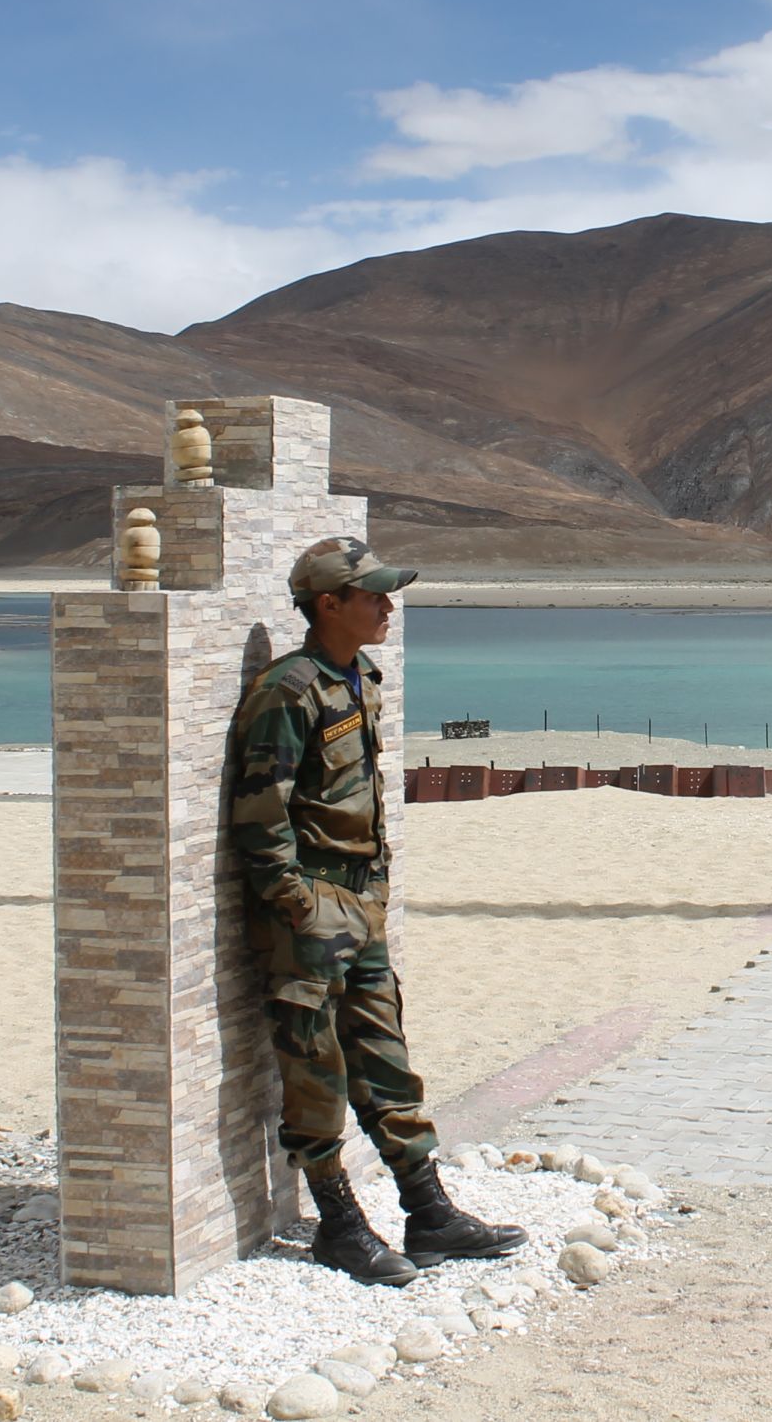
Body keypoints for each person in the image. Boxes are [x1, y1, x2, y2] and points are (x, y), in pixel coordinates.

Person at [228, 535, 526, 1285]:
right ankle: (338, 1224)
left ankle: (428, 1212)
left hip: (360, 902)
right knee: (316, 1067)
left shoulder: (358, 675)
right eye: (373, 595)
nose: (387, 606)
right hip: (314, 911)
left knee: (384, 1056)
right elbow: (261, 815)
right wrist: (299, 904)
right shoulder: (289, 691)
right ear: (329, 604)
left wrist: (375, 892)